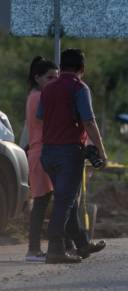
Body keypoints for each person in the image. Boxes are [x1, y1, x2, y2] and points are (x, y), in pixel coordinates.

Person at [38, 49, 108, 264]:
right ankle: (55, 250)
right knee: (65, 202)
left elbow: (40, 116)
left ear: (63, 67)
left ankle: (82, 244)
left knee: (69, 201)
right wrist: (102, 150)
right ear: (82, 69)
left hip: (48, 152)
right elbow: (88, 121)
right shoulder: (79, 88)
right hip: (68, 152)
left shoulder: (48, 89)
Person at [24, 57, 59, 262]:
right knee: (41, 203)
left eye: (56, 77)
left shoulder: (33, 95)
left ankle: (35, 248)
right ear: (37, 78)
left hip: (39, 152)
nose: (54, 81)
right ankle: (33, 249)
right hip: (42, 152)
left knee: (43, 201)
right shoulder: (39, 97)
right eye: (49, 77)